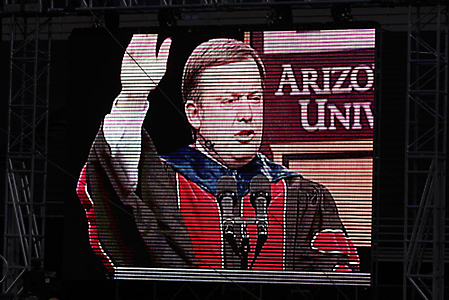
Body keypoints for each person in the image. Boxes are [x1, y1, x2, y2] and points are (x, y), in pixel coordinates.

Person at [76, 34, 360, 273]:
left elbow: (337, 276)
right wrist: (132, 97)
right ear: (194, 113)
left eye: (254, 98)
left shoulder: (302, 195)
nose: (247, 114)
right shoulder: (161, 183)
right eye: (229, 100)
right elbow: (111, 176)